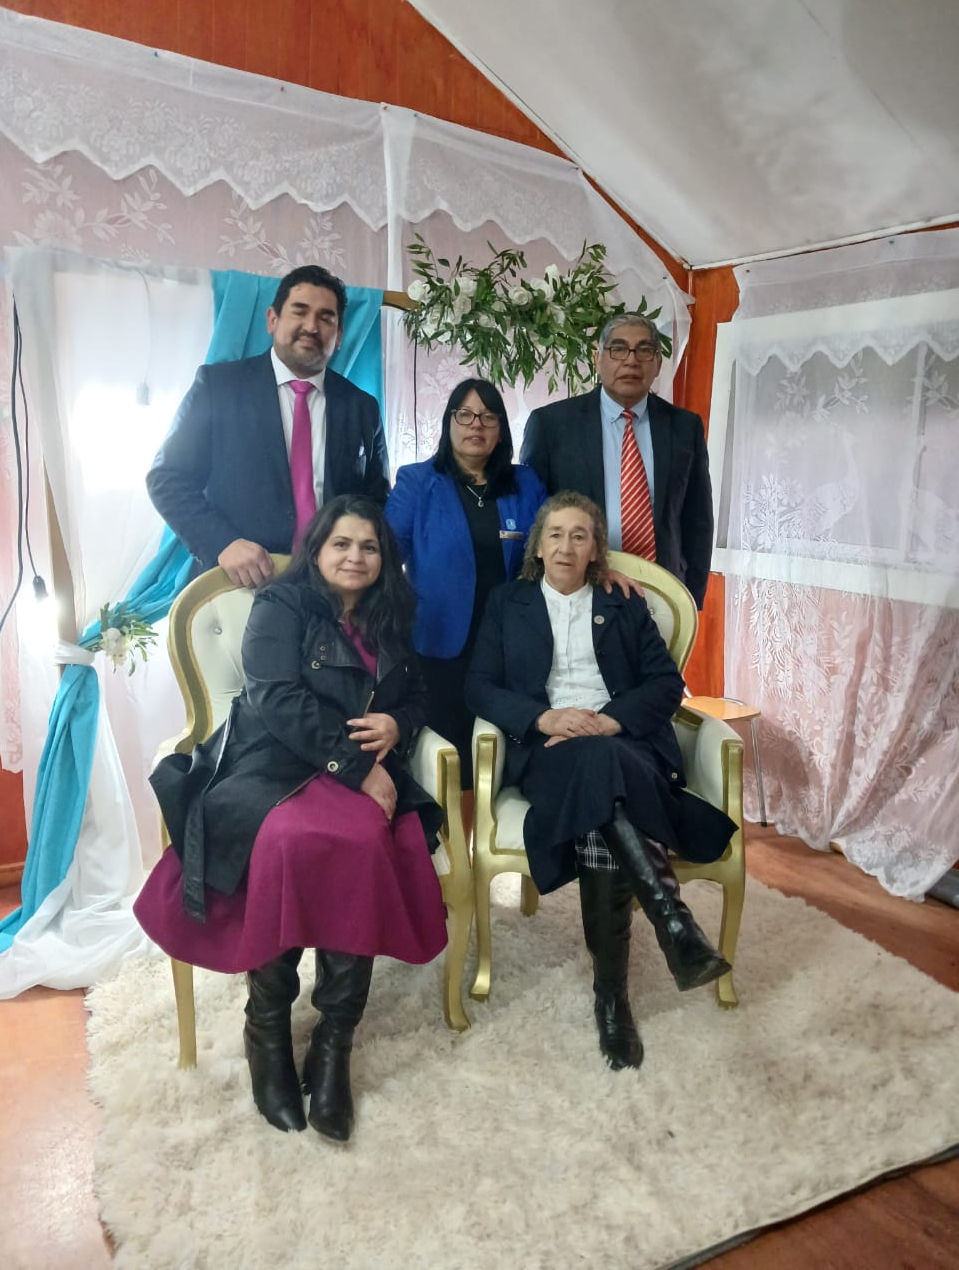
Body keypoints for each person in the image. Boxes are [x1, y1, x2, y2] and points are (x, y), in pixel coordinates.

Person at [135, 496, 446, 1141]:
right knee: (285, 838)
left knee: (365, 838)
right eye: (342, 544)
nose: (355, 557)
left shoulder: (390, 615)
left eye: (369, 547)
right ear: (318, 550)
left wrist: (399, 723)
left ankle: (334, 1041)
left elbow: (418, 695)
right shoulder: (281, 603)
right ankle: (268, 1029)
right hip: (272, 763)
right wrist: (358, 769)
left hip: (357, 767)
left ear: (383, 558)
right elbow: (276, 699)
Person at [465, 491, 735, 1072]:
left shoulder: (623, 603)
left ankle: (612, 996)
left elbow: (666, 685)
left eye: (580, 535)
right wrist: (545, 719)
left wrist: (610, 721)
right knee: (600, 775)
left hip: (625, 744)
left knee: (602, 776)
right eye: (555, 534)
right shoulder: (508, 602)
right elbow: (479, 685)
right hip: (549, 751)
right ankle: (672, 926)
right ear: (538, 546)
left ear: (595, 549)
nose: (566, 545)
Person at [147, 265, 389, 588]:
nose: (311, 326)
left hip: (331, 591)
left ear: (340, 336)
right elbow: (167, 478)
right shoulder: (218, 387)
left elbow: (376, 501)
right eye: (299, 311)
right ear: (272, 320)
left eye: (326, 318)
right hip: (240, 585)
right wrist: (223, 543)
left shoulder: (362, 407)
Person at [384, 378, 546, 786]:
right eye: (466, 415)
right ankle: (450, 824)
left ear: (501, 429)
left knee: (503, 757)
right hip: (439, 641)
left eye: (489, 417)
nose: (477, 425)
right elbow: (385, 557)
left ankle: (496, 819)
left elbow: (557, 543)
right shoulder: (418, 481)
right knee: (450, 759)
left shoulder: (525, 484)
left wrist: (600, 567)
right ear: (449, 422)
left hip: (509, 643)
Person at [520, 313, 714, 608]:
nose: (631, 361)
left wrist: (690, 600)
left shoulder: (684, 427)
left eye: (644, 350)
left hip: (662, 593)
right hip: (576, 591)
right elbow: (533, 517)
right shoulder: (552, 425)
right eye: (618, 349)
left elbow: (698, 519)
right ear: (597, 358)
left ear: (658, 363)